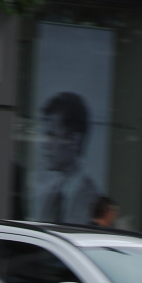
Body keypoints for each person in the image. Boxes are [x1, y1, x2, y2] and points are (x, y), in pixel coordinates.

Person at [35, 92, 100, 225]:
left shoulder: (93, 199)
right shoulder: (49, 194)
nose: (45, 144)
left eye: (52, 135)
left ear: (74, 140)